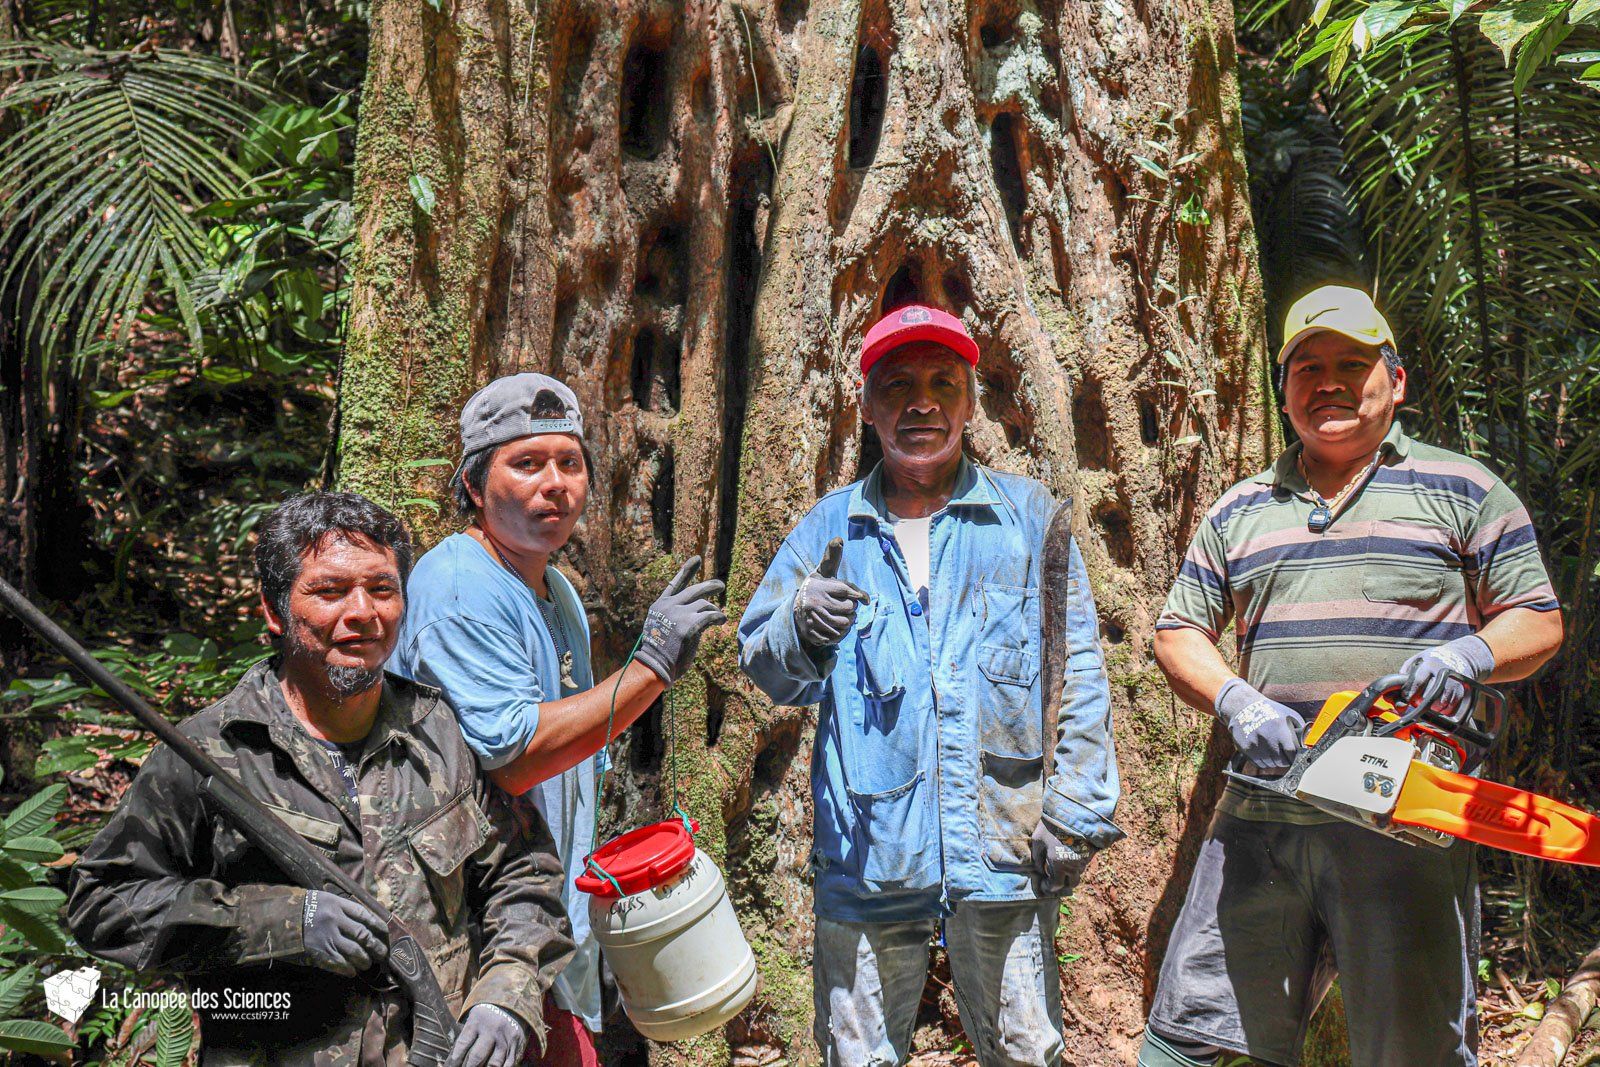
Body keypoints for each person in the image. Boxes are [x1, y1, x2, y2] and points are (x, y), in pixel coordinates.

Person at [1138, 285, 1565, 1067]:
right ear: (1284, 390)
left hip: (1404, 820)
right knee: (1189, 1036)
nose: (1328, 382)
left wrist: (1466, 656)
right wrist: (1236, 698)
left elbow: (1537, 618)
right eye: (1308, 368)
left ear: (1394, 381)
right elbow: (1177, 632)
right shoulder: (1241, 508)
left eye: (1351, 364)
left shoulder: (1465, 490)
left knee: (1414, 1050)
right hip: (1264, 813)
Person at [738, 303, 1123, 1066]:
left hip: (1005, 845)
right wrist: (799, 622)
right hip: (867, 855)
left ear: (971, 401)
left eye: (943, 382)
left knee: (1025, 1049)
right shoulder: (830, 529)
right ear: (866, 406)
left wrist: (1078, 811)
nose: (922, 403)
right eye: (898, 385)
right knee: (859, 1057)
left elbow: (1078, 669)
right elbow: (763, 664)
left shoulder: (1029, 521)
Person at [68, 492, 574, 1067]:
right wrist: (285, 921)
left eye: (382, 589)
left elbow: (524, 874)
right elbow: (102, 902)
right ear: (274, 610)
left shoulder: (440, 730)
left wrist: (506, 994)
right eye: (330, 592)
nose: (363, 612)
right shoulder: (208, 754)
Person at [388, 373, 726, 1065]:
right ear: (474, 484)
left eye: (570, 463)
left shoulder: (557, 588)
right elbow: (516, 759)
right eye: (527, 463)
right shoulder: (461, 587)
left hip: (540, 918)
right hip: (472, 933)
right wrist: (651, 667)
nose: (555, 484)